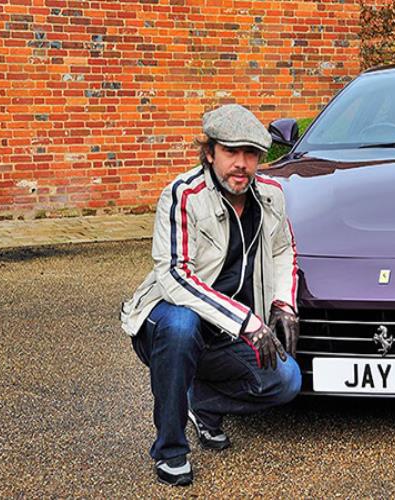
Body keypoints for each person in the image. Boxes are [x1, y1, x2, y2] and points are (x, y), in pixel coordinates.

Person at [119, 104, 301, 486]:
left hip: (225, 334)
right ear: (209, 152)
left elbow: (283, 250)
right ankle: (170, 449)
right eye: (231, 152)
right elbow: (175, 276)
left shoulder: (271, 195)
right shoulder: (184, 195)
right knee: (181, 326)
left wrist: (283, 303)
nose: (241, 164)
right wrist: (248, 322)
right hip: (167, 326)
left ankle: (199, 403)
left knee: (286, 381)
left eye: (251, 153)